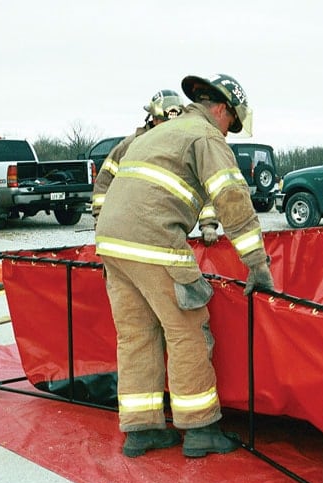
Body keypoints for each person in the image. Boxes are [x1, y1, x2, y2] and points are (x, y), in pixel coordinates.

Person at [95, 73, 274, 458]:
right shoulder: (205, 136)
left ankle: (141, 431)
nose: (229, 134)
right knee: (187, 332)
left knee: (136, 336)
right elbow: (231, 197)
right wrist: (256, 263)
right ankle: (200, 429)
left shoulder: (158, 134)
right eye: (232, 125)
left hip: (111, 243)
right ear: (221, 109)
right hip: (154, 242)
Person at [91, 89, 220, 245]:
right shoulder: (129, 146)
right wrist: (101, 220)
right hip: (128, 230)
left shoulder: (186, 148)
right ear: (153, 118)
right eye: (164, 122)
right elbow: (103, 184)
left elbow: (206, 188)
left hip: (168, 231)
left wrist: (208, 225)